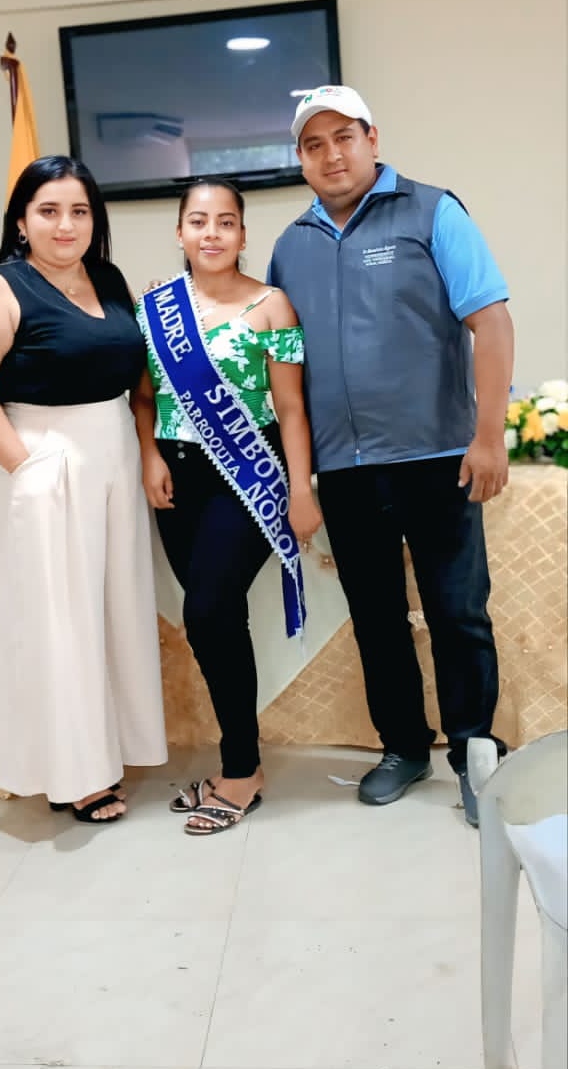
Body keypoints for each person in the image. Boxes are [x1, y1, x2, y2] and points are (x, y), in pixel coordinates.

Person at [268, 85, 513, 827]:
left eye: (344, 137)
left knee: (457, 613)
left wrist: (489, 435)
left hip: (438, 457)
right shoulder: (291, 246)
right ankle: (403, 747)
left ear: (372, 138)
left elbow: (492, 322)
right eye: (314, 145)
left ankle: (474, 755)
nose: (331, 155)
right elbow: (281, 366)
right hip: (345, 469)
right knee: (376, 617)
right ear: (301, 159)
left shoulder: (433, 211)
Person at [0, 155, 167, 822]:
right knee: (58, 619)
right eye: (48, 211)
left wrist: (145, 451)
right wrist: (26, 467)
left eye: (79, 211)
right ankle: (72, 775)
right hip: (41, 454)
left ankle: (110, 747)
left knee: (114, 607)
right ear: (21, 221)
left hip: (113, 451)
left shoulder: (108, 278)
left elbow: (134, 376)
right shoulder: (0, 286)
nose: (65, 225)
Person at [132, 180, 322, 835]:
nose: (211, 233)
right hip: (175, 476)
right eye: (198, 221)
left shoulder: (273, 306)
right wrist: (149, 456)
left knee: (208, 610)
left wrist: (300, 489)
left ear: (243, 234)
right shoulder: (154, 308)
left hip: (247, 474)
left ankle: (241, 769)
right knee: (216, 620)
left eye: (225, 222)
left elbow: (292, 408)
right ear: (179, 232)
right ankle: (237, 760)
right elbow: (143, 398)